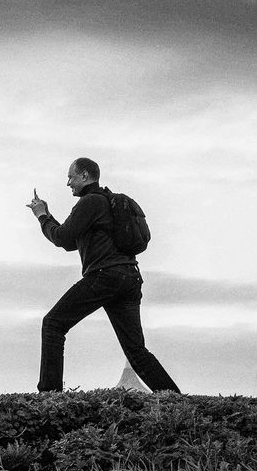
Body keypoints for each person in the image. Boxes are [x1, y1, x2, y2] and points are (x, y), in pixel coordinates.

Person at [27, 158, 180, 393]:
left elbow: (61, 238)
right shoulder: (108, 202)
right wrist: (47, 213)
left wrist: (41, 216)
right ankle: (175, 400)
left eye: (71, 177)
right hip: (130, 277)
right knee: (136, 351)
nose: (68, 183)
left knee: (53, 324)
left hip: (104, 276)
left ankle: (49, 397)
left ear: (85, 176)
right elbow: (70, 242)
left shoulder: (89, 203)